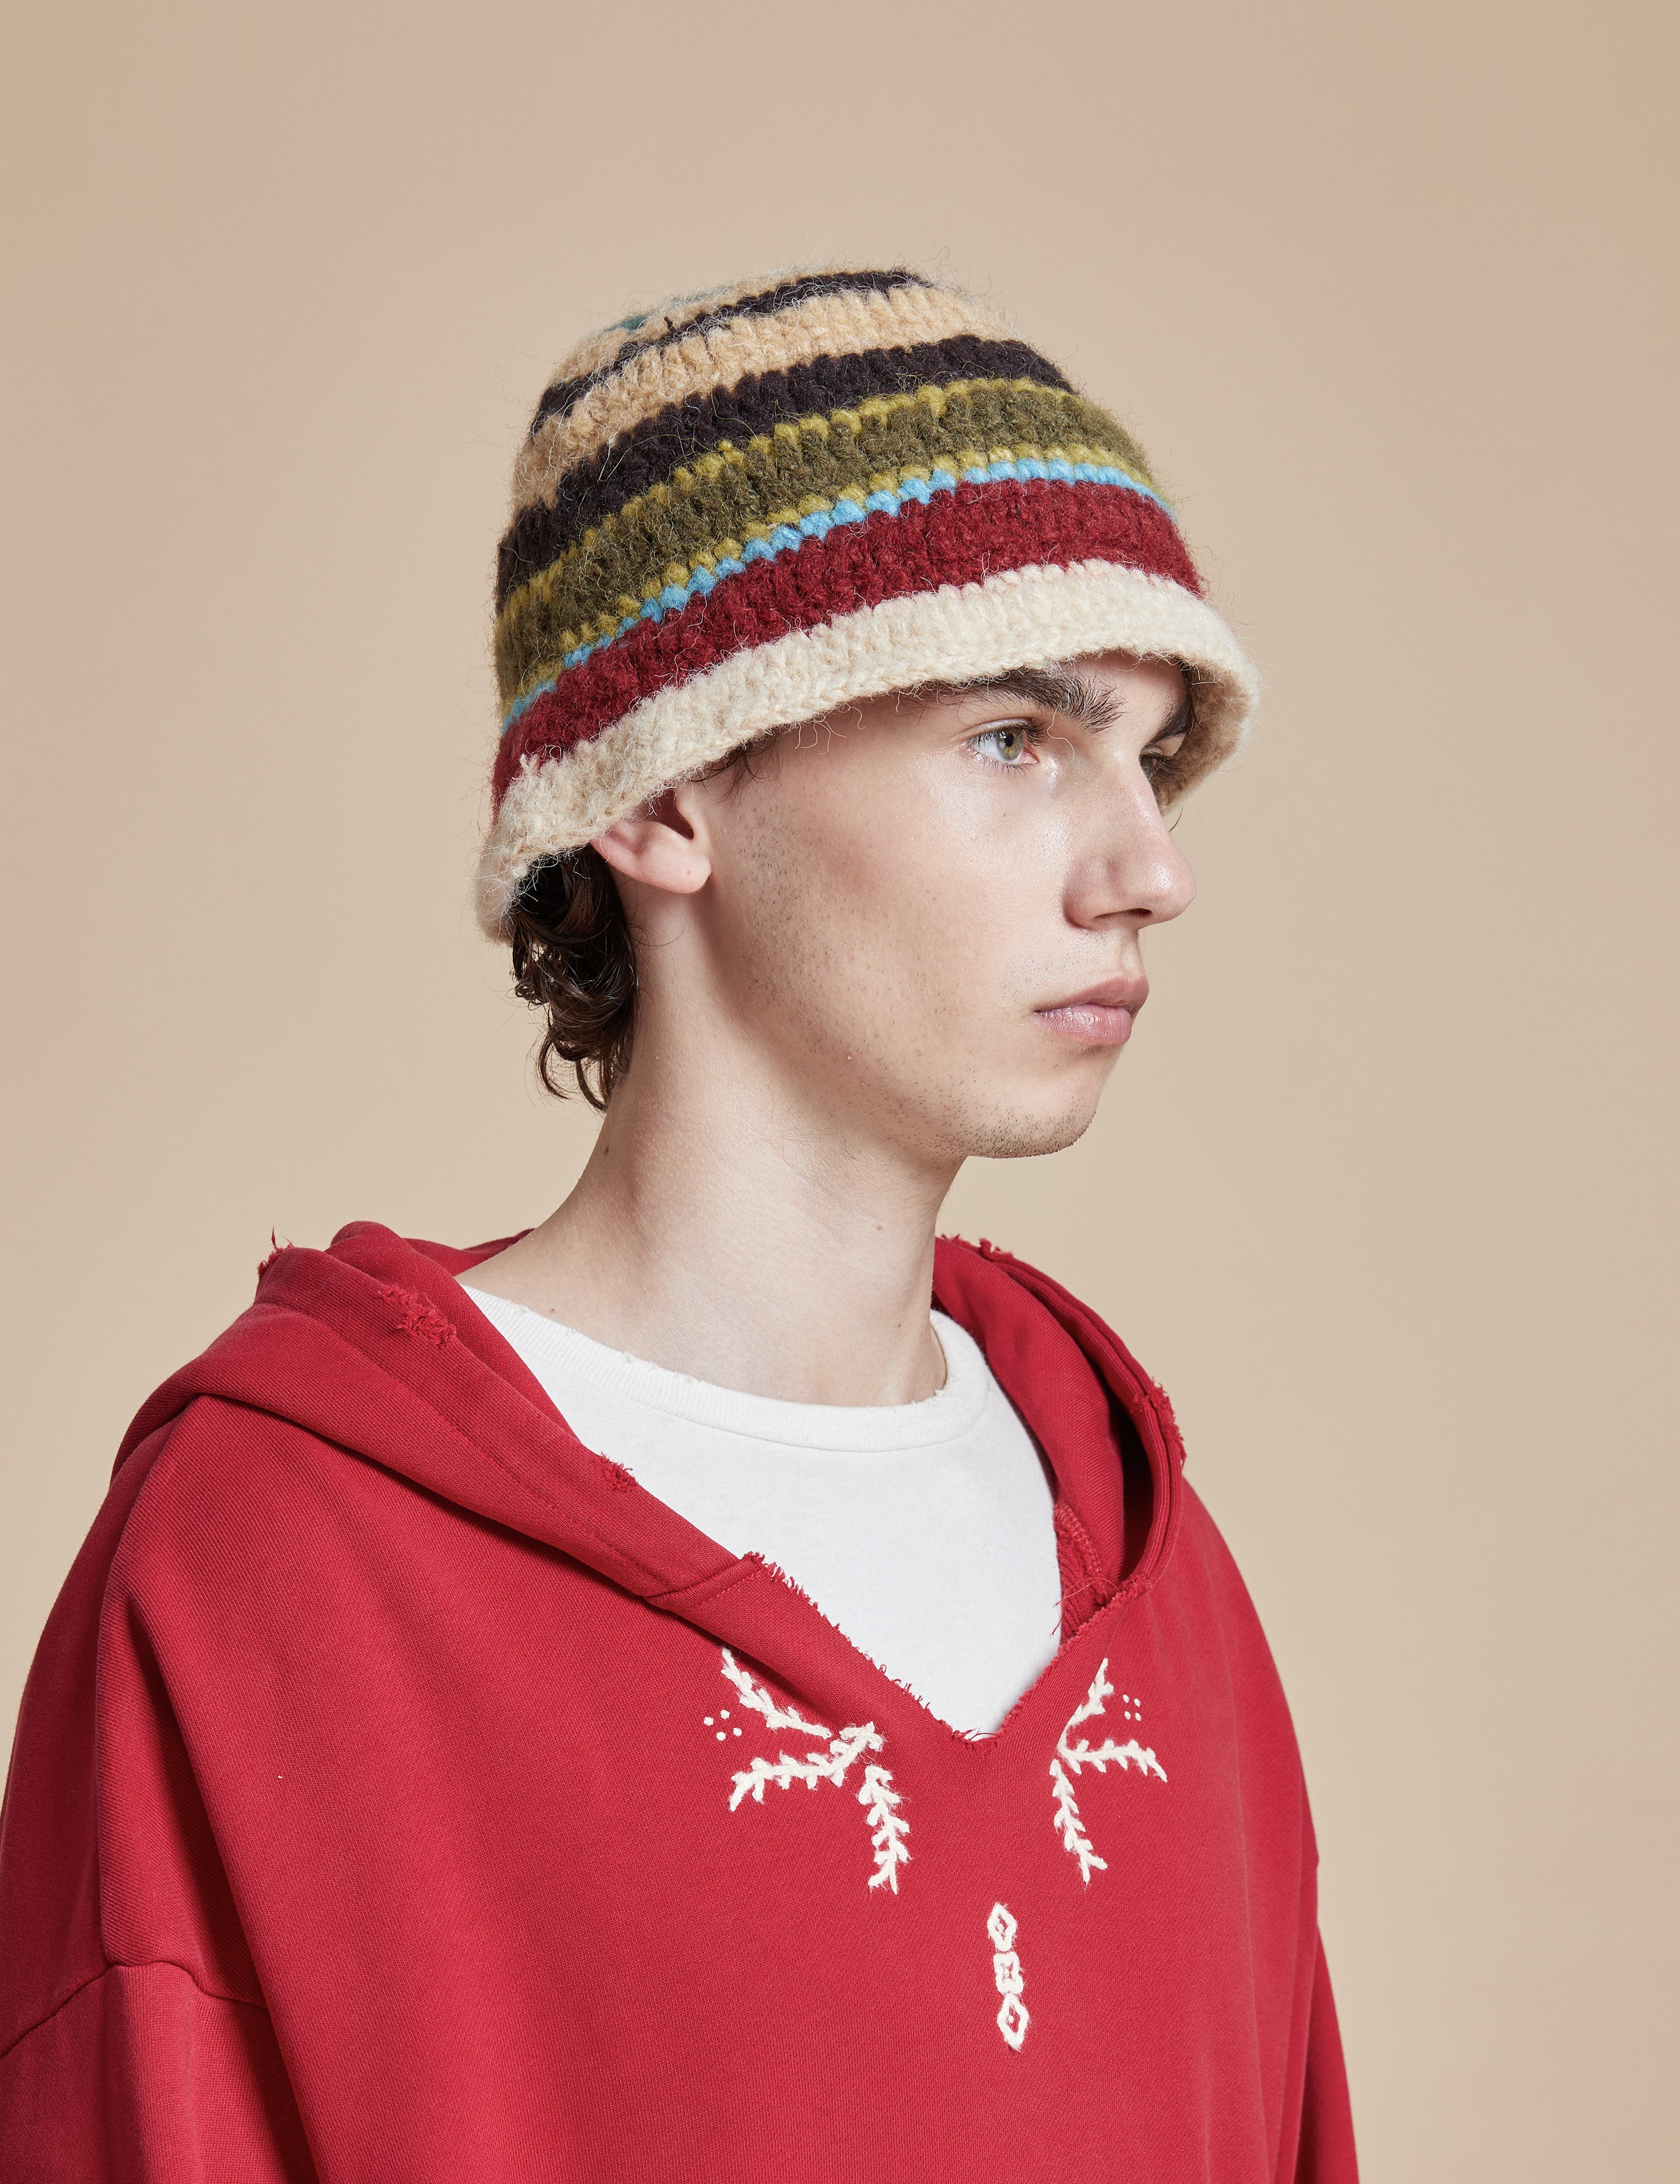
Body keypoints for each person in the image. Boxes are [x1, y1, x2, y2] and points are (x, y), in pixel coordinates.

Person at [0, 265, 1358, 2179]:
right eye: (1014, 740)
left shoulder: (1153, 1568)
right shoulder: (274, 1570)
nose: (1150, 867)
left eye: (1151, 755)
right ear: (662, 794)